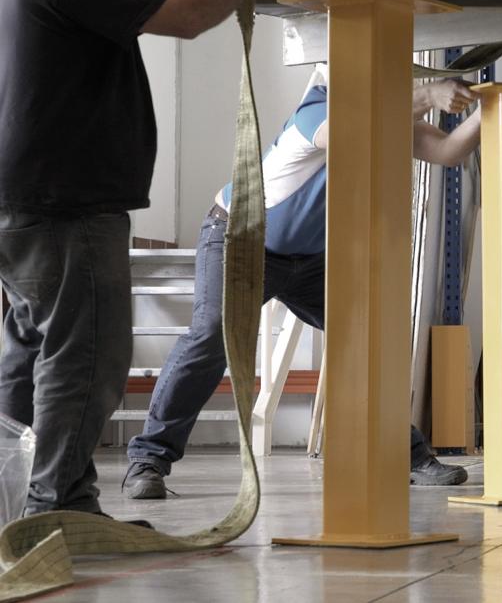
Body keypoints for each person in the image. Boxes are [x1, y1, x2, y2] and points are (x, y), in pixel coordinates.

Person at [0, 0, 299, 517]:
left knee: (33, 354)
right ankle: (57, 509)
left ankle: (31, 503)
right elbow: (186, 17)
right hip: (67, 203)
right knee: (85, 357)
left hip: (31, 198)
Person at [123, 68, 482, 499]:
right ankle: (148, 460)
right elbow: (356, 127)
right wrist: (428, 94)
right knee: (211, 337)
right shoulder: (315, 114)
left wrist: (493, 105)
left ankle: (408, 456)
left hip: (309, 259)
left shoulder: (387, 123)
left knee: (366, 341)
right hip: (240, 239)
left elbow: (447, 150)